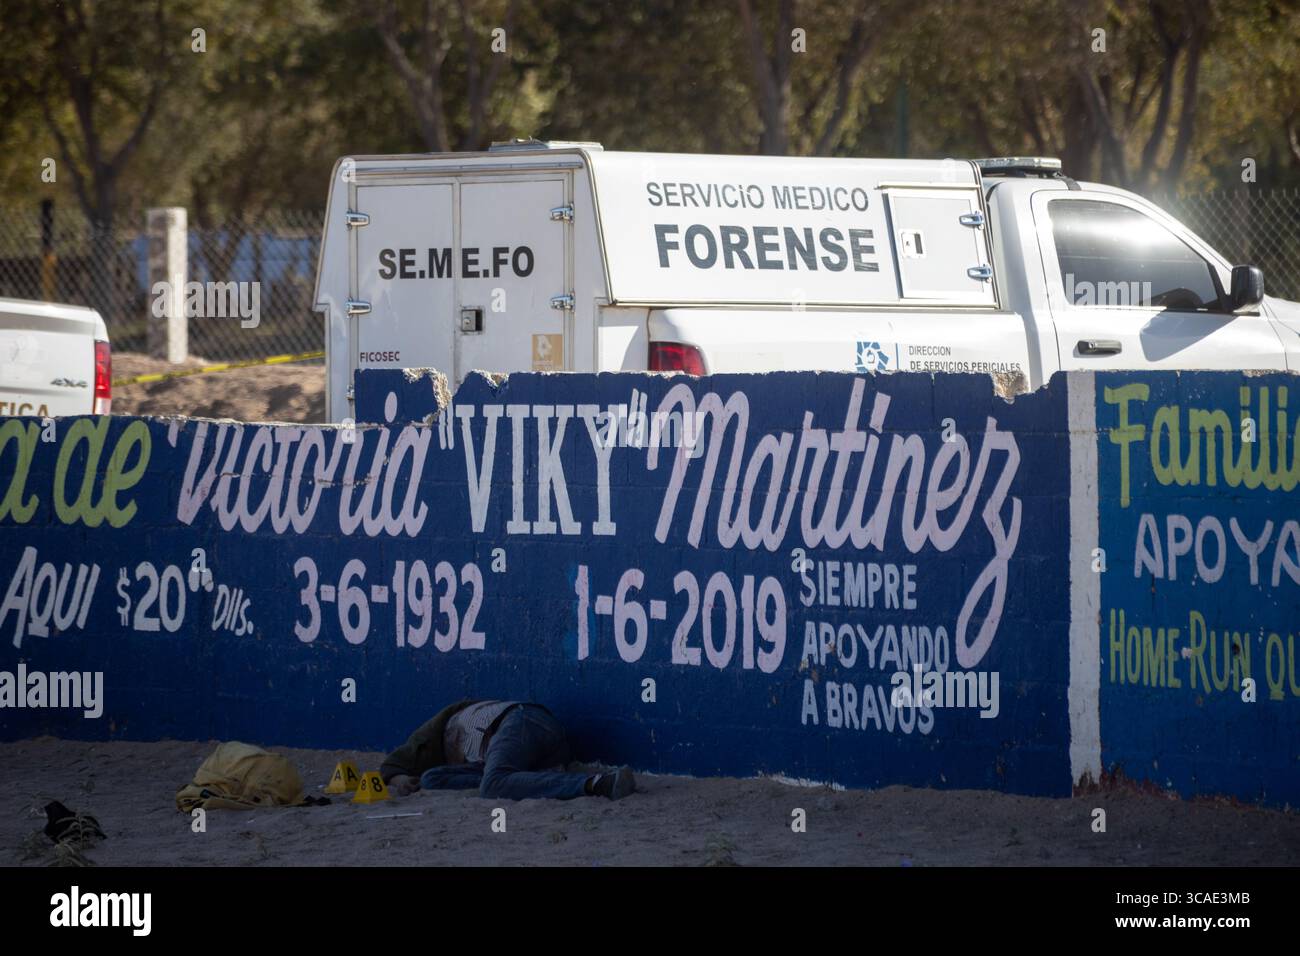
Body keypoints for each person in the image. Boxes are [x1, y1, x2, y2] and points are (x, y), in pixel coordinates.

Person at [379, 699, 636, 801]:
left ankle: (595, 784)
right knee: (431, 778)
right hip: (539, 749)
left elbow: (397, 760)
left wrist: (397, 776)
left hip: (517, 723)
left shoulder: (437, 729)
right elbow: (428, 776)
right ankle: (511, 779)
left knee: (492, 786)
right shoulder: (450, 762)